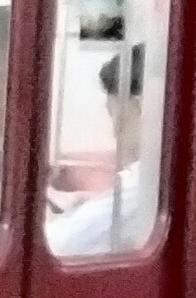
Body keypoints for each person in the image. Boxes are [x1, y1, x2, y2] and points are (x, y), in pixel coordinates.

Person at [47, 50, 158, 259]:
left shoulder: (144, 186)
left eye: (116, 115)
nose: (115, 131)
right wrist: (89, 202)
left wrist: (40, 215)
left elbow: (55, 244)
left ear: (139, 107)